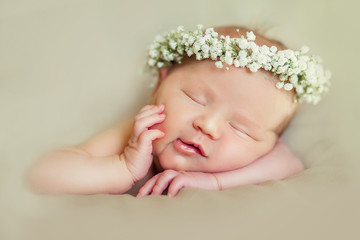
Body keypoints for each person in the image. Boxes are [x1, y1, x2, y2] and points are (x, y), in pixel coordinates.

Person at [25, 24, 330, 197]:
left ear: (270, 143)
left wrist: (214, 182)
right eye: (195, 98)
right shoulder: (138, 137)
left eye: (241, 128)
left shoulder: (262, 159)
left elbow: (289, 164)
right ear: (161, 82)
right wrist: (123, 167)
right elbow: (40, 174)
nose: (208, 126)